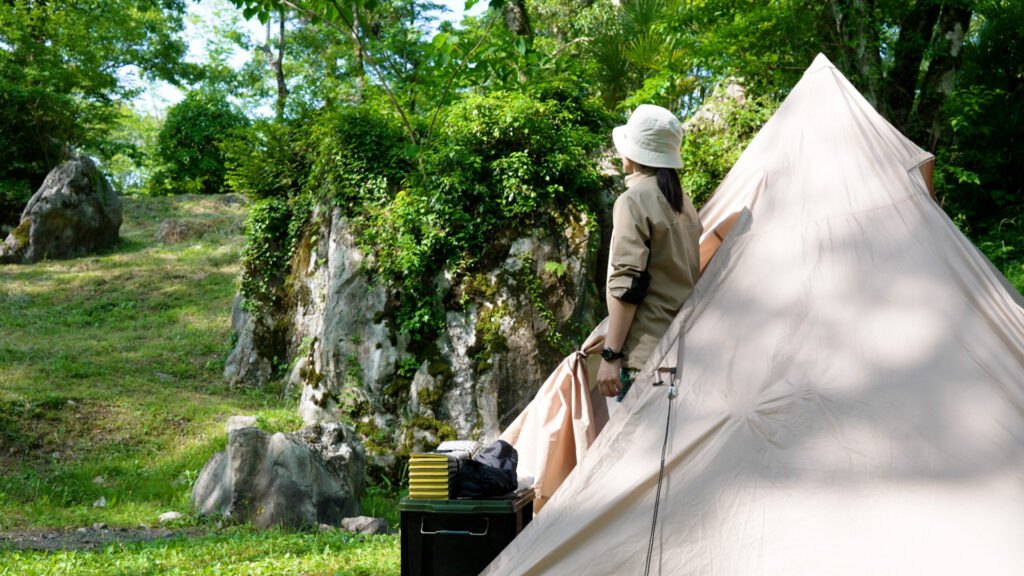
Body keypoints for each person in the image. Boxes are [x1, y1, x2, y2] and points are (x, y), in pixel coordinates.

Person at [596, 104, 702, 400]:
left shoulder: (633, 201)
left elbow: (627, 284)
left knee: (637, 444)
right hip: (680, 347)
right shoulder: (684, 203)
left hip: (644, 354)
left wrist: (610, 354)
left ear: (632, 154)